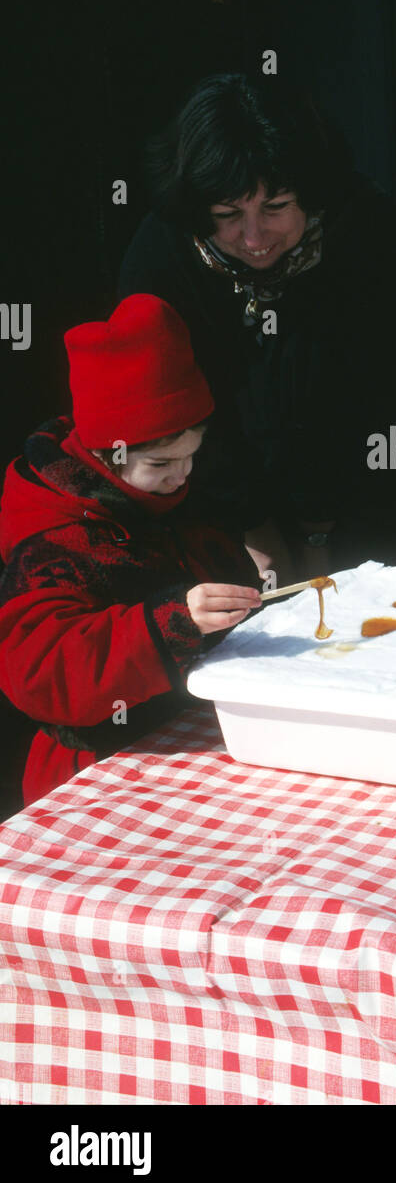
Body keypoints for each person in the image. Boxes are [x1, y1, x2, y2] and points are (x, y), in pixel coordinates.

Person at [119, 74, 396, 585]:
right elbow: (163, 405)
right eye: (227, 214)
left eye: (277, 207)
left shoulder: (369, 232)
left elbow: (387, 388)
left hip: (360, 487)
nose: (254, 236)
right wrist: (251, 525)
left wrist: (318, 534)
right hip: (209, 499)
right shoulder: (161, 254)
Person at [0, 295, 262, 804]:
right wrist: (171, 624)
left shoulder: (175, 498)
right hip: (100, 769)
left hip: (196, 743)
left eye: (192, 456)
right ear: (107, 455)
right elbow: (40, 671)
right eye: (162, 463)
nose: (182, 474)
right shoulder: (54, 540)